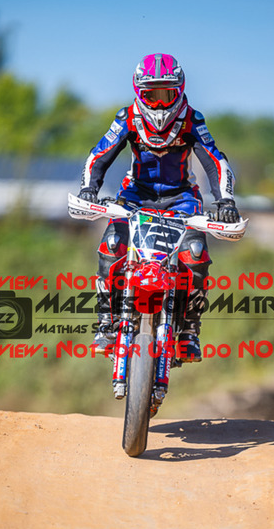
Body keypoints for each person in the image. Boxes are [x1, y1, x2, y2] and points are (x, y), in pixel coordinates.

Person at [78, 53, 239, 361]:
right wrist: (89, 189)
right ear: (139, 92)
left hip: (182, 197)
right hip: (135, 195)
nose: (160, 104)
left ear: (180, 90)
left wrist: (226, 201)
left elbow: (215, 161)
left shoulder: (192, 119)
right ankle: (107, 322)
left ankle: (189, 330)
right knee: (112, 244)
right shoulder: (127, 117)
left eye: (167, 94)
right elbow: (99, 154)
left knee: (195, 253)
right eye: (152, 95)